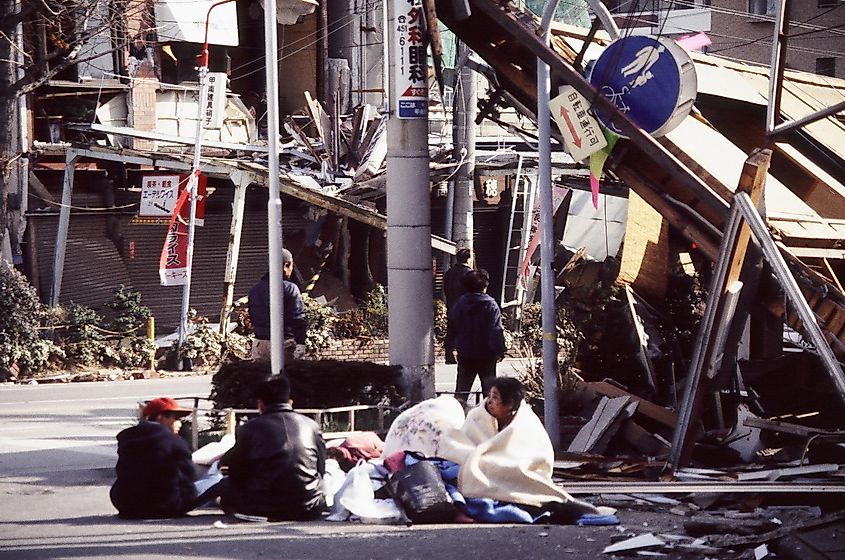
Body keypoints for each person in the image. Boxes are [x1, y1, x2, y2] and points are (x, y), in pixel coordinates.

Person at [438, 378, 603, 524]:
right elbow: (464, 447)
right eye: (489, 396)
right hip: (483, 466)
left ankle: (537, 500)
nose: (489, 401)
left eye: (495, 398)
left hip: (517, 468)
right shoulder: (476, 416)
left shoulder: (526, 422)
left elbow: (537, 457)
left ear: (510, 404)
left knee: (515, 473)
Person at [214, 375, 326, 520]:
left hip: (262, 507)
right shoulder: (312, 426)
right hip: (310, 507)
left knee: (227, 486)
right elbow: (321, 468)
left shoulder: (250, 428)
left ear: (260, 404)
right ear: (290, 402)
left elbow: (234, 468)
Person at [109, 397, 197, 519]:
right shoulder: (174, 441)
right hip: (165, 505)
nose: (180, 424)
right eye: (176, 418)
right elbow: (189, 475)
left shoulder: (127, 439)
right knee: (211, 481)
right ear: (160, 417)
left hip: (125, 504)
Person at [446, 268, 507, 402]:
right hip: (486, 354)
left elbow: (452, 327)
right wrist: (500, 350)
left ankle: (458, 417)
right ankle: (489, 419)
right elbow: (496, 330)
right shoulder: (491, 305)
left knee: (462, 390)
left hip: (465, 352)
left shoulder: (460, 304)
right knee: (489, 392)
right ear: (485, 285)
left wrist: (451, 348)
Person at [249, 248, 308, 362]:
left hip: (259, 344)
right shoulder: (290, 288)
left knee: (261, 378)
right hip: (284, 343)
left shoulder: (255, 289)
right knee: (286, 378)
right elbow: (297, 318)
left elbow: (252, 316)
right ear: (287, 265)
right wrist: (301, 342)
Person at [442, 248, 473, 364]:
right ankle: (463, 355)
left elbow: (446, 289)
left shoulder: (449, 272)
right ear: (469, 259)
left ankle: (449, 355)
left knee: (451, 331)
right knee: (466, 332)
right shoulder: (469, 274)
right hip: (466, 307)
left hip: (451, 305)